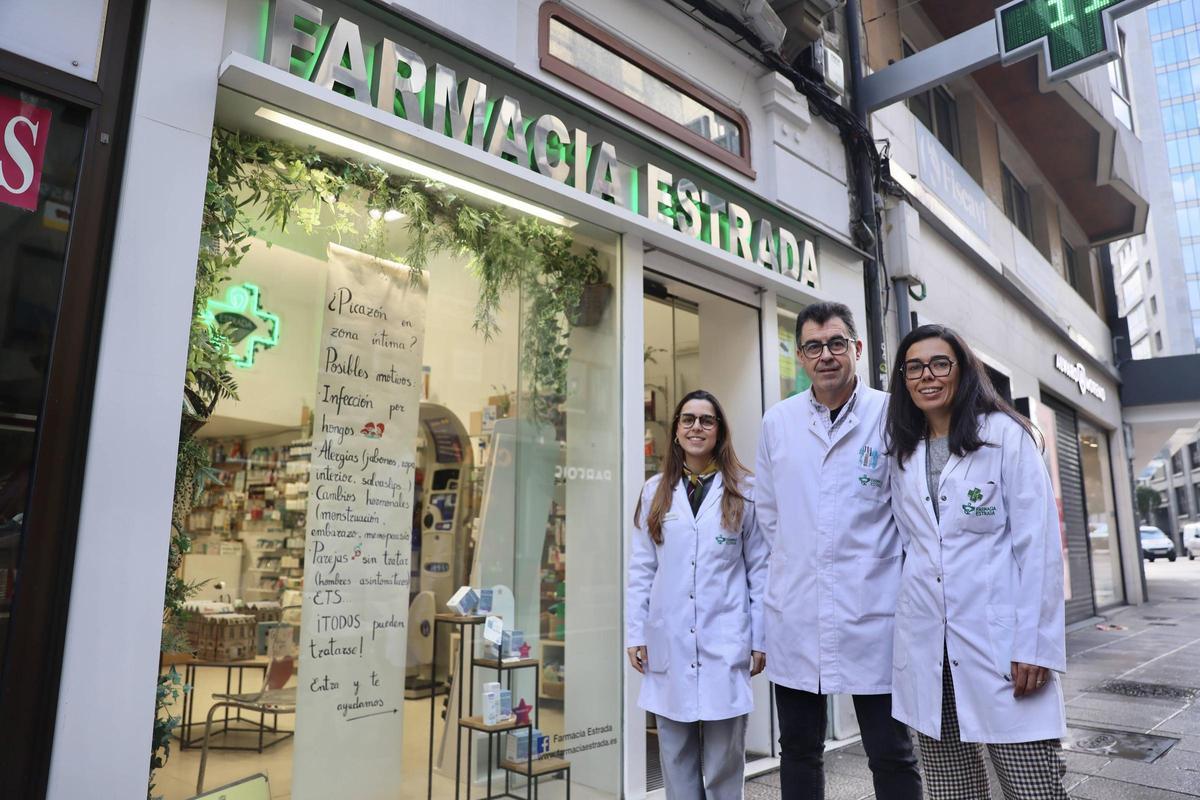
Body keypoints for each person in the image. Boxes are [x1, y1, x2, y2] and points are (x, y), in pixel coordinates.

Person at [884, 324, 1067, 799]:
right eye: (914, 367)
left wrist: (1036, 644)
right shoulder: (903, 452)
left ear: (962, 371)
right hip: (928, 650)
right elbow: (911, 547)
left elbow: (1040, 546)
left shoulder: (1005, 436)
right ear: (903, 379)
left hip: (1003, 645)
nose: (927, 375)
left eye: (939, 363)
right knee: (951, 791)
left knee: (1033, 788)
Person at [756, 302, 921, 800]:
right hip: (798, 612)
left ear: (857, 348)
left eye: (835, 344)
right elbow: (770, 517)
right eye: (813, 346)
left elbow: (910, 515)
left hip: (874, 611)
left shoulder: (891, 414)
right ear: (801, 356)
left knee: (890, 749)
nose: (825, 355)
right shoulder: (778, 423)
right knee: (799, 749)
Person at [626, 389, 768, 800]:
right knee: (675, 754)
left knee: (725, 761)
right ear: (675, 431)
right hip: (667, 640)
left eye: (707, 420)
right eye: (688, 419)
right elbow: (641, 570)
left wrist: (759, 638)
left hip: (725, 640)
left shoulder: (745, 489)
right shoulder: (654, 491)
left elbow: (760, 570)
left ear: (719, 431)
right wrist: (636, 633)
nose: (696, 427)